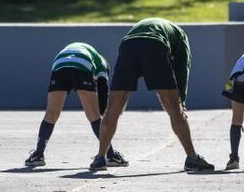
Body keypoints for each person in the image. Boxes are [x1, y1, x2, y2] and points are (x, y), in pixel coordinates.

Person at [90, 18, 214, 172]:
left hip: (127, 46)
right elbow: (182, 68)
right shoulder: (180, 35)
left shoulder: (144, 26)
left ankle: (100, 158)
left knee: (113, 110)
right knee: (174, 110)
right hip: (155, 44)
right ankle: (192, 158)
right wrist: (181, 100)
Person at [25, 42, 128, 168]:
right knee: (94, 116)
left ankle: (38, 154)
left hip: (59, 65)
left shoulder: (81, 50)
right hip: (82, 65)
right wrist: (105, 116)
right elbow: (103, 89)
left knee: (51, 113)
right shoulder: (102, 63)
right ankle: (111, 155)